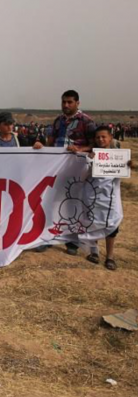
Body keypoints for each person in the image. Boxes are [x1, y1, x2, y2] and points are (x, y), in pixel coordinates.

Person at [34, 90, 96, 254]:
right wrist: (42, 148)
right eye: (64, 102)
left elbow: (94, 145)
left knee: (74, 203)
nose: (66, 105)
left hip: (77, 169)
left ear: (77, 103)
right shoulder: (58, 121)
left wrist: (80, 149)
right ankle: (49, 236)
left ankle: (72, 241)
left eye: (69, 102)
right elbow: (51, 142)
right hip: (57, 168)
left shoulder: (86, 121)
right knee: (51, 201)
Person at [81, 126, 132, 270]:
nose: (101, 139)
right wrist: (88, 161)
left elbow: (124, 171)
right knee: (93, 222)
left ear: (110, 138)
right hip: (93, 195)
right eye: (98, 137)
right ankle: (94, 252)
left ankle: (110, 256)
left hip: (111, 197)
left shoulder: (118, 156)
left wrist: (129, 165)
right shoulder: (91, 155)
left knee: (112, 226)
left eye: (103, 137)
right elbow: (82, 175)